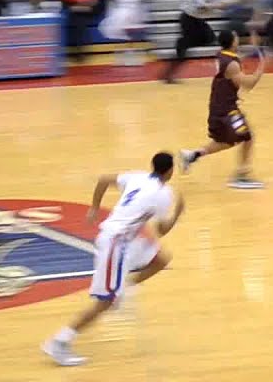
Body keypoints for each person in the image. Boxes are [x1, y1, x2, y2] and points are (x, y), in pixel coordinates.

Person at [41, 152, 184, 366]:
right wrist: (177, 214)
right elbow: (162, 231)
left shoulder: (138, 177)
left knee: (161, 259)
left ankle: (124, 288)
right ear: (170, 171)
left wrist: (95, 207)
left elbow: (104, 180)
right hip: (116, 243)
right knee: (104, 302)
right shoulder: (164, 194)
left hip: (126, 239)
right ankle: (59, 342)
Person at [179, 30, 266, 189]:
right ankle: (241, 176)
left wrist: (254, 47)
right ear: (232, 42)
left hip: (217, 107)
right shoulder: (232, 65)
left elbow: (238, 58)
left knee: (225, 141)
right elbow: (248, 84)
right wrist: (261, 68)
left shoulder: (222, 54)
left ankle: (192, 155)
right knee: (247, 137)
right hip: (228, 111)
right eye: (236, 37)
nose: (238, 39)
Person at [163, 0, 220, 83]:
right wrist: (216, 6)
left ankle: (184, 43)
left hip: (196, 19)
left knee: (210, 38)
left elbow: (209, 4)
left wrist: (215, 6)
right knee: (185, 49)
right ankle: (170, 73)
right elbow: (201, 7)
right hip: (189, 19)